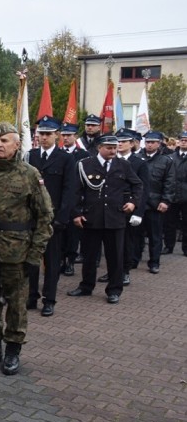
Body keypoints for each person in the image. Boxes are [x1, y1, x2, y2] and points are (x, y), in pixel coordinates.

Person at [0, 122, 51, 375]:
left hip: (16, 253)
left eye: (5, 141)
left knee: (16, 305)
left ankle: (13, 350)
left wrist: (35, 254)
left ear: (17, 145)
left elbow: (45, 217)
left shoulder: (30, 174)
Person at [68, 135, 143, 304]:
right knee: (89, 256)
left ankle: (114, 290)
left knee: (115, 257)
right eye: (109, 147)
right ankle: (86, 286)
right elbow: (75, 191)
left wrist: (133, 202)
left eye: (115, 147)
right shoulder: (85, 165)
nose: (113, 151)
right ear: (99, 148)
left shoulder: (123, 165)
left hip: (115, 218)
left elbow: (138, 185)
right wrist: (76, 213)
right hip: (91, 217)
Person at [26, 116, 75, 317]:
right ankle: (31, 296)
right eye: (41, 134)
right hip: (31, 219)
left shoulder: (66, 159)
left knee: (52, 261)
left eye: (48, 134)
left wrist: (61, 218)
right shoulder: (30, 156)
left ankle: (49, 300)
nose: (44, 137)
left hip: (52, 219)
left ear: (56, 135)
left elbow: (69, 190)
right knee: (31, 260)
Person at [99, 129, 148, 285]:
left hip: (128, 208)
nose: (119, 144)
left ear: (132, 144)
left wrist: (138, 212)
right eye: (117, 141)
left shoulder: (139, 163)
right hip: (111, 209)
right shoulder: (108, 160)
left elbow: (143, 188)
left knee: (126, 243)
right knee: (111, 245)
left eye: (123, 141)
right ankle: (112, 271)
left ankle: (125, 271)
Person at [136, 131, 175, 274]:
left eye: (152, 142)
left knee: (155, 236)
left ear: (159, 144)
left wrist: (166, 200)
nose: (149, 144)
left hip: (155, 203)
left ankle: (154, 262)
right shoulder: (137, 158)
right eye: (147, 142)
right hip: (139, 203)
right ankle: (134, 259)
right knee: (136, 234)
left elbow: (170, 183)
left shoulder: (166, 161)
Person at [59, 122, 89, 276]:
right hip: (60, 199)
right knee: (59, 233)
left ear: (75, 136)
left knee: (73, 234)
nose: (66, 138)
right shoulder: (57, 153)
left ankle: (70, 261)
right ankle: (61, 260)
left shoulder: (83, 155)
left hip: (76, 199)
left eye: (69, 135)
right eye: (63, 135)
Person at [164, 131, 187, 255]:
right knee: (169, 223)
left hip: (186, 195)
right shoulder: (171, 157)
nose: (184, 142)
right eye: (182, 139)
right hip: (172, 195)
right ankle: (168, 246)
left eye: (186, 140)